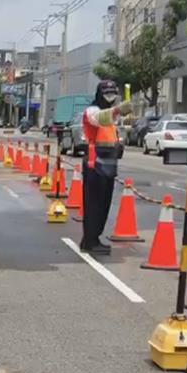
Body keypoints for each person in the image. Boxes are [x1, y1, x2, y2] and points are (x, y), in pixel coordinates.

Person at [80, 80, 132, 254]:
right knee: (94, 204)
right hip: (94, 163)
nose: (110, 96)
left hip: (108, 163)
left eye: (113, 93)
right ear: (99, 93)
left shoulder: (111, 115)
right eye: (106, 93)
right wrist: (118, 110)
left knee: (103, 204)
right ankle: (90, 240)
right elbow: (99, 119)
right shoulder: (92, 111)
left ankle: (93, 237)